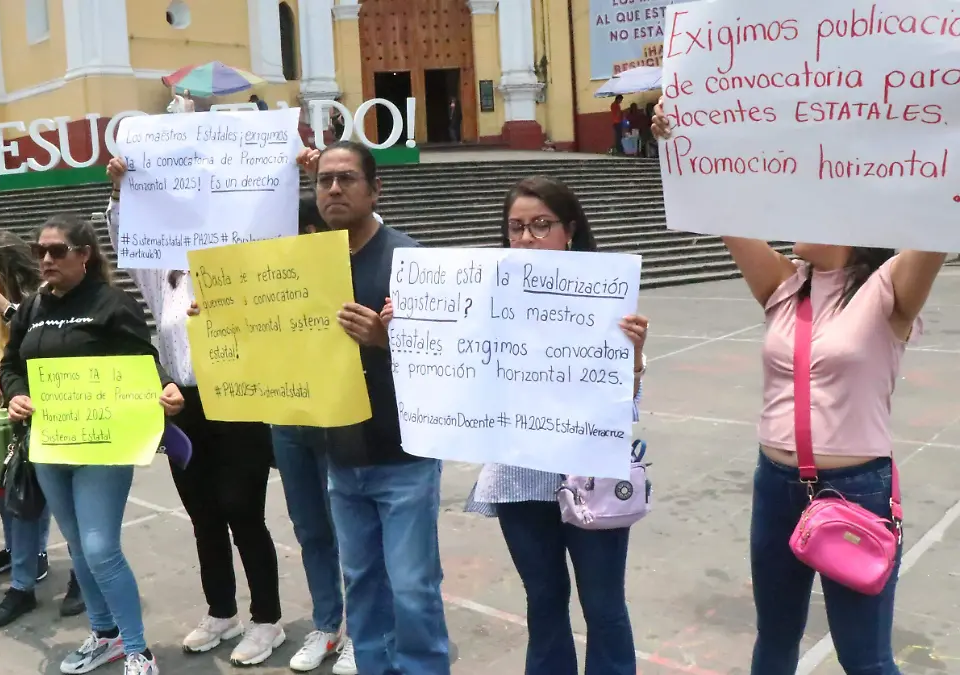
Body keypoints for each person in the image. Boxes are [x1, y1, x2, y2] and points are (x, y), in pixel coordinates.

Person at [653, 103, 944, 675]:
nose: (797, 216)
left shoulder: (889, 290)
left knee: (864, 657)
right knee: (775, 640)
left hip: (857, 491)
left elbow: (939, 217)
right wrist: (677, 138)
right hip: (777, 487)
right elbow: (718, 207)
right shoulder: (785, 287)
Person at [462, 176, 650, 675]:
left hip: (593, 480)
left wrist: (631, 359)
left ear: (569, 230)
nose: (526, 238)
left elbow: (624, 410)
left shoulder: (605, 300)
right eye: (516, 227)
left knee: (604, 606)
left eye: (541, 225)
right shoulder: (487, 300)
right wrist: (414, 330)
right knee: (543, 602)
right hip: (519, 479)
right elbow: (457, 378)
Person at [105, 158, 287, 667]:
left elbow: (280, 306)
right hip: (182, 405)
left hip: (237, 399)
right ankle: (221, 611)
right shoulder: (163, 270)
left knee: (243, 511)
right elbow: (126, 240)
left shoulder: (242, 260)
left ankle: (267, 619)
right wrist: (123, 193)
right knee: (203, 514)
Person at [0, 214, 185, 675]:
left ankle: (139, 650)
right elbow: (10, 364)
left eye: (58, 251)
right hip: (50, 444)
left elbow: (142, 359)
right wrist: (16, 392)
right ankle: (105, 636)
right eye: (39, 250)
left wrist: (164, 388)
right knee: (78, 547)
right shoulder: (30, 308)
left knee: (101, 547)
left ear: (85, 255)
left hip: (104, 445)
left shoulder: (111, 302)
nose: (46, 259)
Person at [294, 141, 451, 675]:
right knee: (360, 583)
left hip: (404, 457)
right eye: (324, 181)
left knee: (412, 588)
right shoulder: (307, 267)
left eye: (346, 179)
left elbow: (450, 359)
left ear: (374, 188)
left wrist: (388, 343)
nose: (333, 189)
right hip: (341, 458)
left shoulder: (412, 261)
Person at [0, 229, 85, 626]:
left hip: (65, 415)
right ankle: (22, 586)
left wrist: (4, 307)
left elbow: (48, 336)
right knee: (20, 499)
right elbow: (8, 358)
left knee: (74, 507)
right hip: (11, 414)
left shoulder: (43, 298)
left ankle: (83, 580)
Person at [269, 195, 356, 674]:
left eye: (313, 229)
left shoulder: (349, 276)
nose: (304, 239)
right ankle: (326, 624)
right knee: (310, 529)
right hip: (287, 418)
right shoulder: (270, 283)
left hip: (340, 418)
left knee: (349, 530)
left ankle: (362, 629)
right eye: (297, 230)